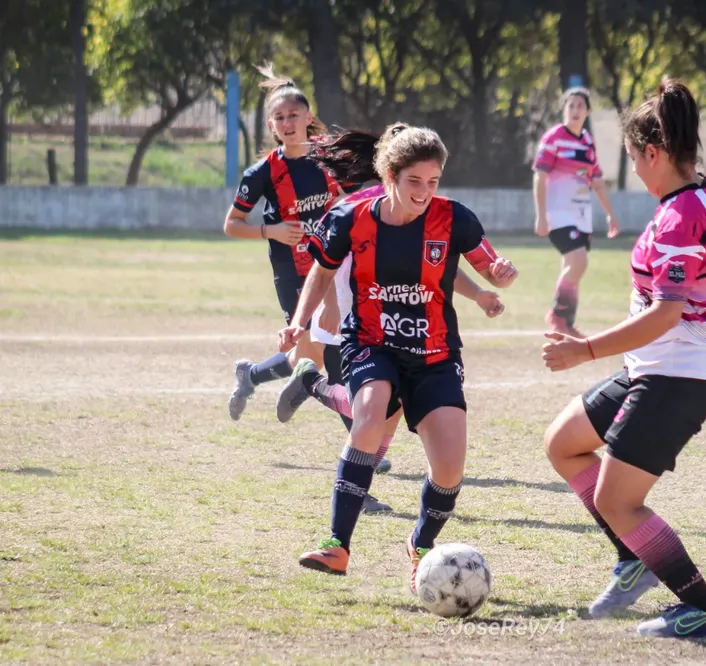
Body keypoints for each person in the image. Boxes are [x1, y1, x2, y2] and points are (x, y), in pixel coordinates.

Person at [541, 78, 706, 639]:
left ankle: (700, 608)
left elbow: (668, 313)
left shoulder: (676, 218)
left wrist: (584, 350)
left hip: (679, 375)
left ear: (654, 153)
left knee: (617, 500)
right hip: (656, 366)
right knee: (564, 444)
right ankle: (633, 560)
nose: (634, 175)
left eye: (634, 162)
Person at [276, 123, 518, 591]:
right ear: (389, 175)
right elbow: (322, 274)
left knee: (449, 467)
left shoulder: (455, 219)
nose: (424, 192)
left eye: (433, 182)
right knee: (368, 417)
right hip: (372, 341)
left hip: (435, 351)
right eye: (414, 182)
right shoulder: (352, 220)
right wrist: (299, 321)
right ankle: (337, 545)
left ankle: (421, 545)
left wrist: (499, 280)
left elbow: (488, 265)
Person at [222, 64, 343, 422]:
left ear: (308, 117)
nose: (287, 122)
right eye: (279, 117)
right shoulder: (262, 173)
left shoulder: (330, 158)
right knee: (319, 352)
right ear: (272, 126)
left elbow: (350, 202)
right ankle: (361, 447)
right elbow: (231, 225)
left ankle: (253, 375)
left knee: (319, 351)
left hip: (334, 267)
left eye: (293, 114)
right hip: (293, 273)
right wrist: (269, 231)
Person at [533, 87, 620, 338]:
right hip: (558, 214)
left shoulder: (587, 142)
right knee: (579, 262)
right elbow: (540, 176)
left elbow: (597, 180)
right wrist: (540, 215)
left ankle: (566, 325)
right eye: (570, 105)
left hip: (581, 216)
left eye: (580, 106)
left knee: (573, 267)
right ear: (564, 109)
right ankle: (558, 316)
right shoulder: (554, 138)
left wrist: (610, 214)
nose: (575, 110)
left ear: (588, 111)